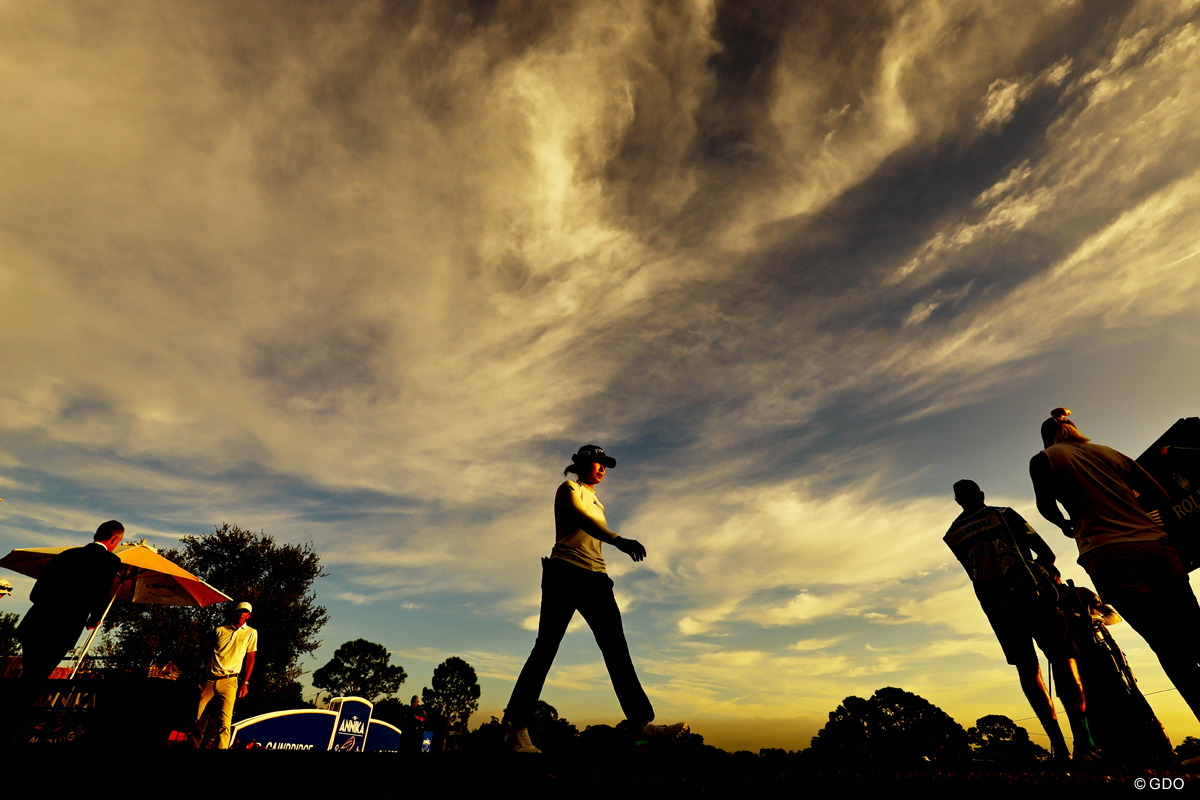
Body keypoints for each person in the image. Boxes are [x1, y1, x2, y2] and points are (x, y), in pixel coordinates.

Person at [503, 445, 686, 753]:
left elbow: (593, 530)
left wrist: (608, 548)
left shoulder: (598, 503)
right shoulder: (568, 488)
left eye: (605, 465)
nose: (602, 468)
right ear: (581, 464)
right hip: (563, 573)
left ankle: (641, 726)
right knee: (546, 647)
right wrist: (618, 539)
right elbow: (581, 520)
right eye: (597, 463)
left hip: (596, 579)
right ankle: (514, 729)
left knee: (616, 647)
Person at [1030, 407, 1200, 722]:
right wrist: (1131, 507)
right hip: (1155, 545)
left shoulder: (1045, 459)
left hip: (1108, 555)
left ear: (1047, 437)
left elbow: (1045, 505)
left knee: (1165, 643)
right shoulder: (1110, 453)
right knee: (1194, 628)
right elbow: (1158, 492)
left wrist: (1065, 524)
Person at [944, 480, 1094, 761]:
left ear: (957, 502)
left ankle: (1058, 747)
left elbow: (973, 574)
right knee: (1063, 661)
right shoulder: (1004, 514)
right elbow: (1046, 553)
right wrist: (1049, 574)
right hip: (1033, 597)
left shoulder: (953, 535)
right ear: (982, 494)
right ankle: (1084, 743)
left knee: (1028, 672)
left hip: (997, 609)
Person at [16, 520, 124, 679]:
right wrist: (94, 618)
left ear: (95, 535)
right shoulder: (110, 561)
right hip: (65, 627)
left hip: (35, 622)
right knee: (39, 676)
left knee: (29, 672)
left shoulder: (65, 554)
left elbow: (36, 593)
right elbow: (102, 591)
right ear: (114, 540)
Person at [192, 601, 258, 749]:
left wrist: (245, 683)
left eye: (245, 612)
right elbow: (206, 652)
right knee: (199, 721)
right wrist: (201, 676)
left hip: (230, 681)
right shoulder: (220, 630)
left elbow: (251, 657)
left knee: (225, 723)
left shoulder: (251, 633)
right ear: (235, 612)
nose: (242, 614)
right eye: (240, 611)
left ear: (248, 616)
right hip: (209, 680)